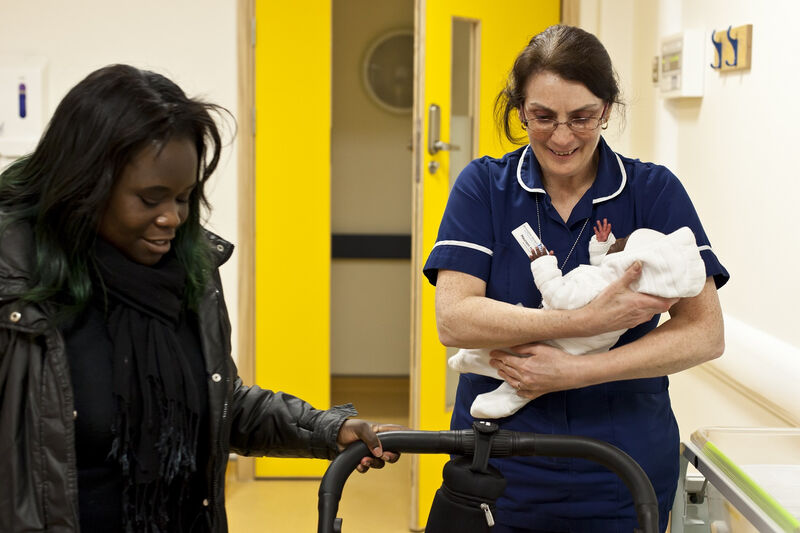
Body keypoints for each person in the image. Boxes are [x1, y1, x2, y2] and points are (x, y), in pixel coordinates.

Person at [0, 64, 402, 533]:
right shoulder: (17, 289)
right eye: (150, 199)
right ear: (86, 184)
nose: (172, 218)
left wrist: (327, 429)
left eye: (184, 197)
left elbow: (217, 403)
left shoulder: (188, 273)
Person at [423, 25, 728, 533]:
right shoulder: (485, 186)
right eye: (543, 117)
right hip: (500, 462)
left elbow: (704, 332)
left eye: (582, 117)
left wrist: (575, 372)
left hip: (620, 465)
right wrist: (587, 318)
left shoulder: (653, 191)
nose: (562, 137)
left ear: (607, 109)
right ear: (520, 110)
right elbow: (453, 319)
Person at [449, 220, 707, 419]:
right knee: (516, 377)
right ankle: (482, 377)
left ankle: (470, 362)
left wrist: (543, 264)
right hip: (582, 349)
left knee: (509, 361)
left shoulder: (599, 286)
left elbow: (559, 295)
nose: (619, 242)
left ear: (627, 262)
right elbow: (603, 268)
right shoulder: (624, 293)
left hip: (558, 343)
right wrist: (602, 245)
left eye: (623, 245)